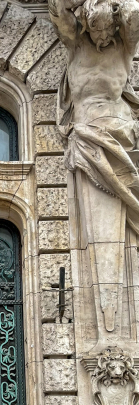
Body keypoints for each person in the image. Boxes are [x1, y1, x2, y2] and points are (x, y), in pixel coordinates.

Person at [49, 0, 139, 234]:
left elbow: (134, 12)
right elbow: (57, 7)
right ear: (86, 25)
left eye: (108, 28)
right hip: (87, 133)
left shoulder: (125, 47)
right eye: (98, 30)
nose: (104, 36)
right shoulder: (76, 43)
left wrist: (111, 4)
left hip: (120, 131)